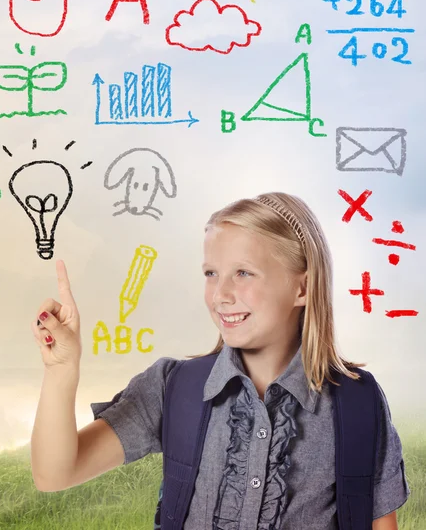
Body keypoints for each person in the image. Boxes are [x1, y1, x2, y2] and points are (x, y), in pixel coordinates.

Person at [30, 191, 410, 529]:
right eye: (211, 273)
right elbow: (55, 473)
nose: (220, 294)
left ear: (303, 287)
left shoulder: (357, 404)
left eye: (243, 272)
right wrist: (62, 370)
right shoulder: (173, 387)